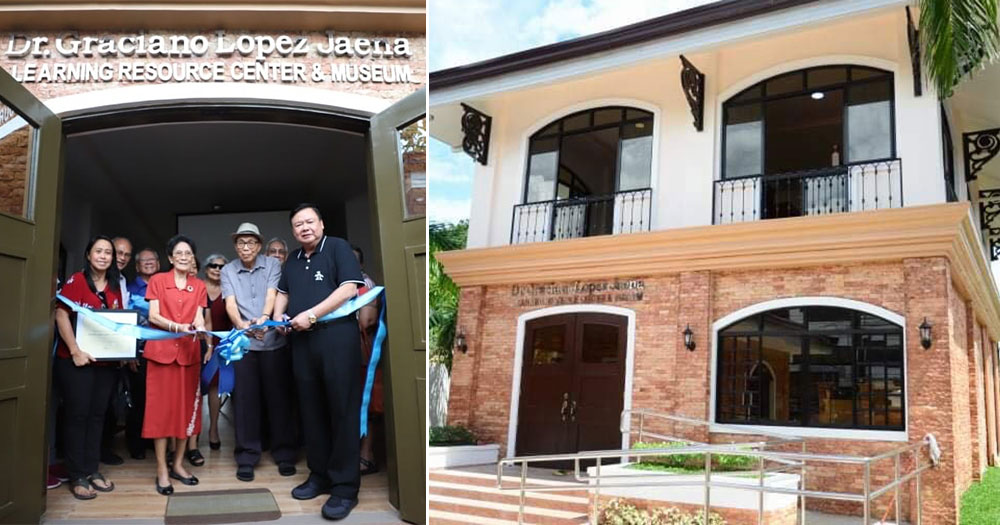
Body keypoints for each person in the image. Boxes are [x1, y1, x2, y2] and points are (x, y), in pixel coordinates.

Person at [274, 204, 365, 521]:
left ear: (322, 224)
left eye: (309, 221)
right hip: (301, 343)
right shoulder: (293, 260)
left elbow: (349, 289)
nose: (304, 227)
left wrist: (311, 315)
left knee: (341, 410)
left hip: (336, 339)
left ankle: (344, 487)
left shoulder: (338, 247)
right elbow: (282, 293)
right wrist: (278, 318)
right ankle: (319, 476)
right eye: (298, 224)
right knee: (310, 411)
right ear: (293, 231)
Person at [221, 223, 297, 482]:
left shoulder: (273, 265)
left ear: (259, 245)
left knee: (279, 401)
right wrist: (242, 326)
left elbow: (272, 294)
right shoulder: (228, 270)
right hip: (244, 345)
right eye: (241, 243)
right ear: (235, 245)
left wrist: (264, 319)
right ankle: (246, 456)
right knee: (244, 403)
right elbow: (230, 303)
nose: (245, 247)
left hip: (273, 342)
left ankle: (285, 454)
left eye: (250, 242)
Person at [53, 235, 124, 500]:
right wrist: (75, 350)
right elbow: (61, 314)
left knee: (98, 416)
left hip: (105, 364)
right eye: (99, 251)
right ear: (88, 255)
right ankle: (77, 474)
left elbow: (117, 322)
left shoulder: (114, 287)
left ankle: (93, 470)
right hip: (76, 361)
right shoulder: (77, 281)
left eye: (108, 252)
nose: (104, 256)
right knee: (77, 416)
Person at [143, 235, 212, 495]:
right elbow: (153, 316)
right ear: (171, 258)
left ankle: (179, 464)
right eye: (179, 253)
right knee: (161, 414)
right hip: (161, 356)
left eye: (188, 253)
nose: (184, 257)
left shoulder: (199, 285)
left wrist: (200, 327)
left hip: (188, 355)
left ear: (193, 258)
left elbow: (198, 318)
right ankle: (162, 468)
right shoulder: (158, 281)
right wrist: (176, 327)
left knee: (186, 413)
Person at [97, 236, 133, 466]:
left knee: (111, 403)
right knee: (95, 406)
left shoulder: (121, 281)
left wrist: (124, 352)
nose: (121, 258)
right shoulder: (87, 279)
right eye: (117, 252)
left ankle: (104, 448)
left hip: (115, 353)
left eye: (126, 254)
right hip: (93, 350)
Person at [124, 248, 159, 460]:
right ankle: (136, 443)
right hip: (139, 352)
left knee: (157, 400)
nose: (148, 262)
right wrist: (130, 354)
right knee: (139, 399)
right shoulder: (128, 289)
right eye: (143, 260)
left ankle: (153, 440)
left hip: (162, 352)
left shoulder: (164, 286)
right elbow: (125, 323)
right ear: (137, 266)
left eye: (152, 259)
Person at [352, 245, 382, 476]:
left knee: (367, 407)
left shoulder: (365, 285)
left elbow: (365, 322)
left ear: (360, 264)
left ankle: (366, 455)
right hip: (343, 357)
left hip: (361, 355)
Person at [202, 253, 230, 451]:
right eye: (213, 265)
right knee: (193, 389)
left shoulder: (229, 290)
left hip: (222, 344)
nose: (217, 269)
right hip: (197, 342)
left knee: (215, 388)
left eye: (221, 266)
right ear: (206, 268)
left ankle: (213, 430)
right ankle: (190, 435)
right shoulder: (196, 287)